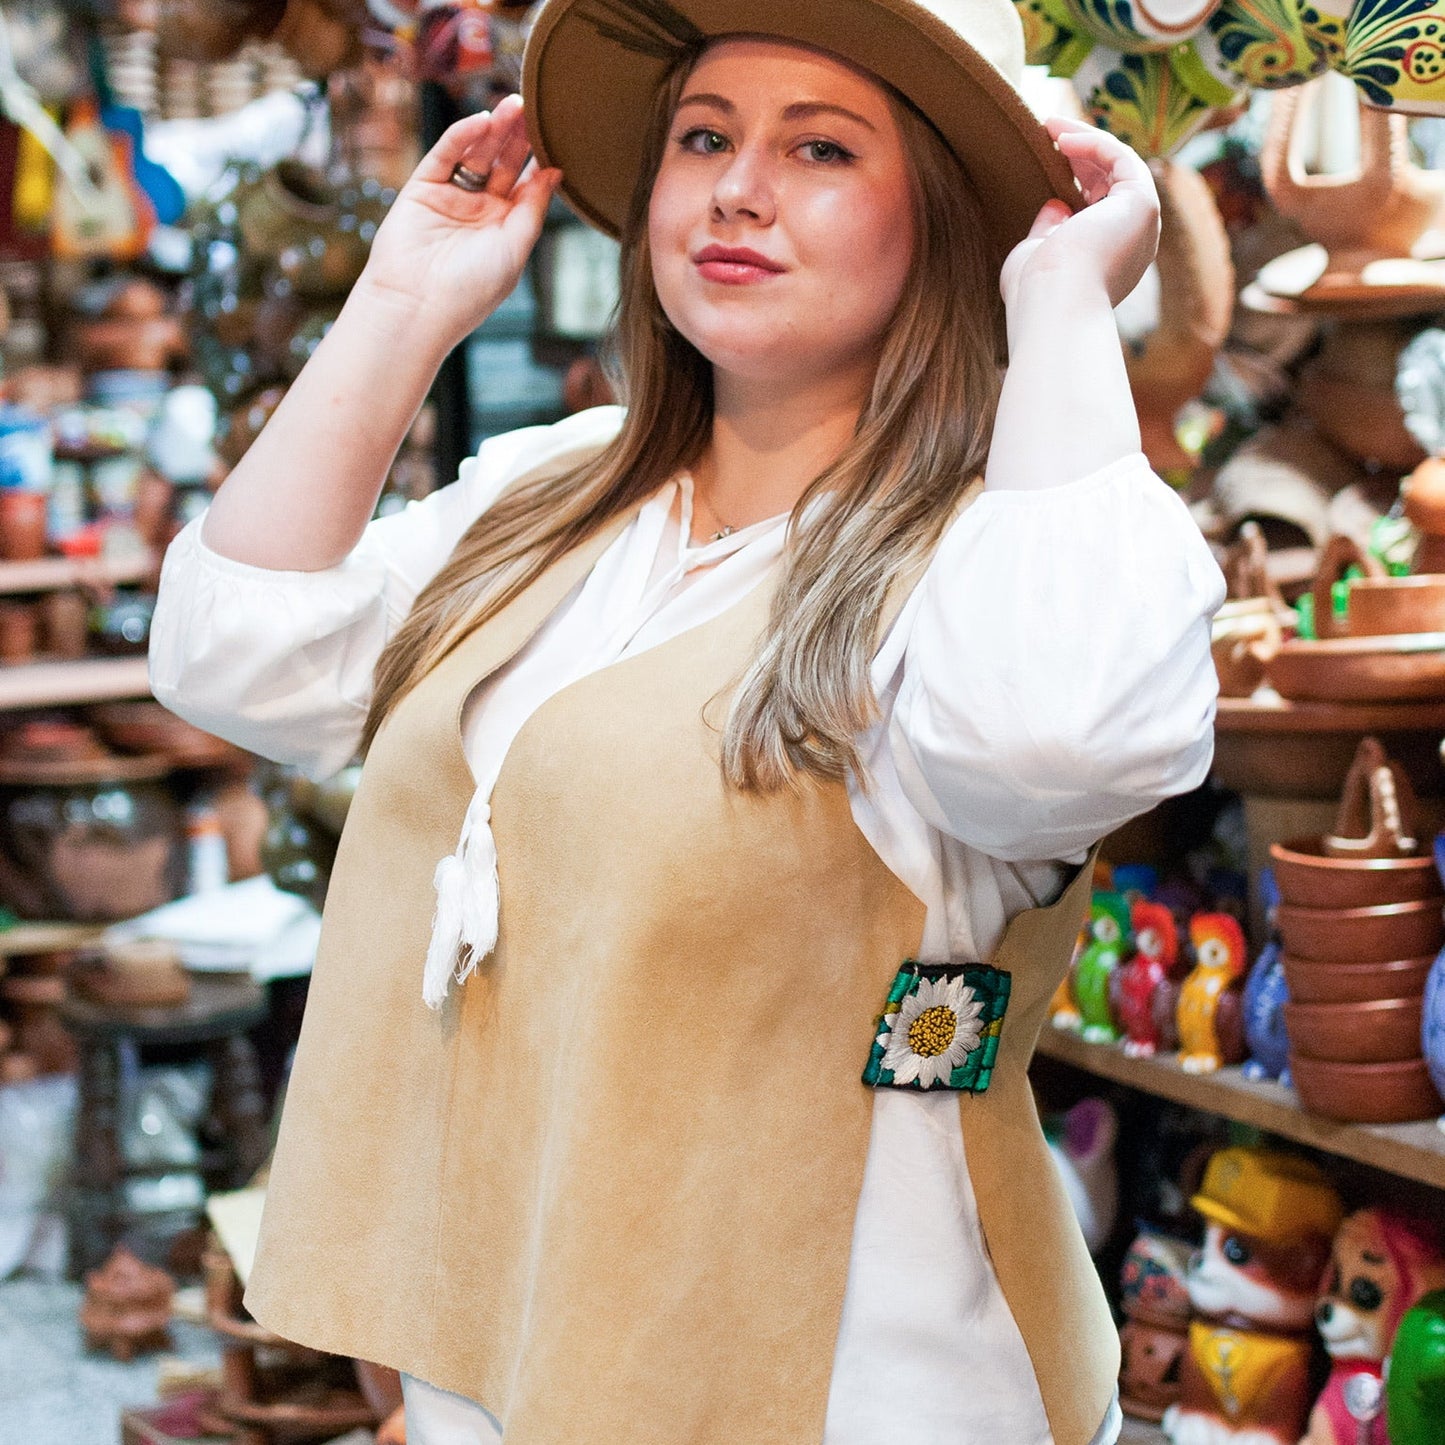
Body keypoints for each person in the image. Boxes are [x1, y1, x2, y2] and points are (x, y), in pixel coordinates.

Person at [149, 0, 1225, 1441]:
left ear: (949, 218)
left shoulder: (991, 546)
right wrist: (402, 306)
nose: (736, 186)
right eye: (702, 136)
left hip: (845, 1385)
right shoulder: (563, 488)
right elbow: (234, 658)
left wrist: (1054, 303)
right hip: (511, 1355)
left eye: (821, 147)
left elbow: (1062, 742)